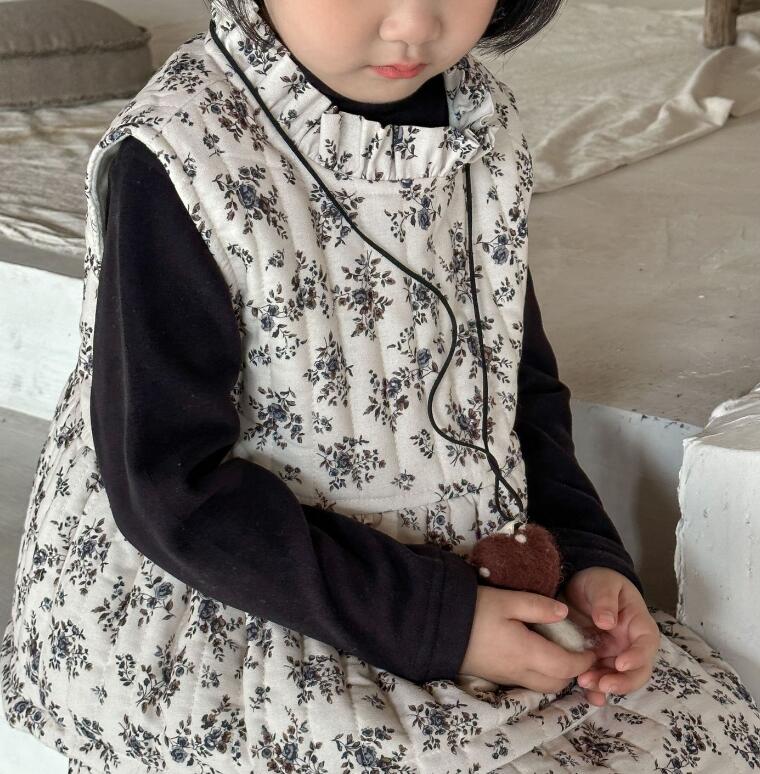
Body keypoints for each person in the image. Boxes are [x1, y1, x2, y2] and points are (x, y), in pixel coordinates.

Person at [2, 1, 758, 772]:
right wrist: (442, 624)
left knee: (709, 731)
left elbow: (516, 384)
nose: (415, 24)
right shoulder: (178, 159)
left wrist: (588, 555)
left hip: (464, 577)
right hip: (238, 596)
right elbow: (170, 489)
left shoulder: (480, 130)